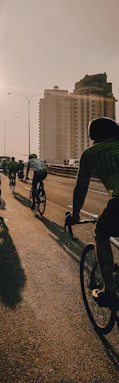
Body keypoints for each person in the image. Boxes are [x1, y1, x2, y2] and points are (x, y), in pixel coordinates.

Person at [69, 117, 119, 309]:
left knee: (102, 232)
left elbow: (81, 188)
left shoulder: (90, 153)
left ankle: (109, 291)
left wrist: (75, 215)